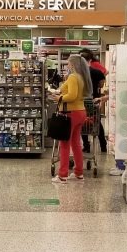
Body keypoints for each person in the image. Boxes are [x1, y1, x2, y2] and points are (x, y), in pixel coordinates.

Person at [50, 54, 92, 184]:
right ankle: (79, 173)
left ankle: (63, 175)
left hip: (70, 113)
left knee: (64, 144)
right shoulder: (82, 77)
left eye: (68, 62)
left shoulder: (73, 77)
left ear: (73, 64)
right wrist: (60, 92)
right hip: (80, 112)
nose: (67, 64)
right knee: (76, 144)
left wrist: (59, 98)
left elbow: (72, 96)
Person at [79, 49, 107, 153]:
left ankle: (86, 146)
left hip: (81, 101)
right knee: (97, 122)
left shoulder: (78, 73)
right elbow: (101, 84)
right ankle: (103, 145)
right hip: (94, 100)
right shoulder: (97, 72)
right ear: (90, 60)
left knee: (83, 123)